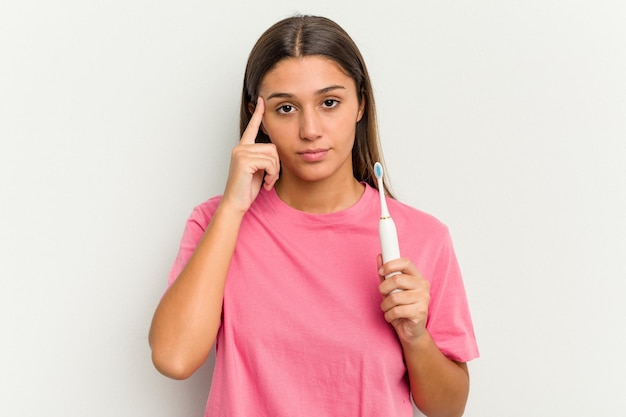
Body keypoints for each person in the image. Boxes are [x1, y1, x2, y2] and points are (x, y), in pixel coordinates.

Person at [149, 15, 478, 417]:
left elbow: (449, 408)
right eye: (286, 108)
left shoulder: (424, 237)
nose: (310, 129)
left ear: (360, 104)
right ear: (260, 117)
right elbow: (174, 359)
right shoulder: (215, 223)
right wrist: (233, 208)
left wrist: (415, 337)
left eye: (329, 103)